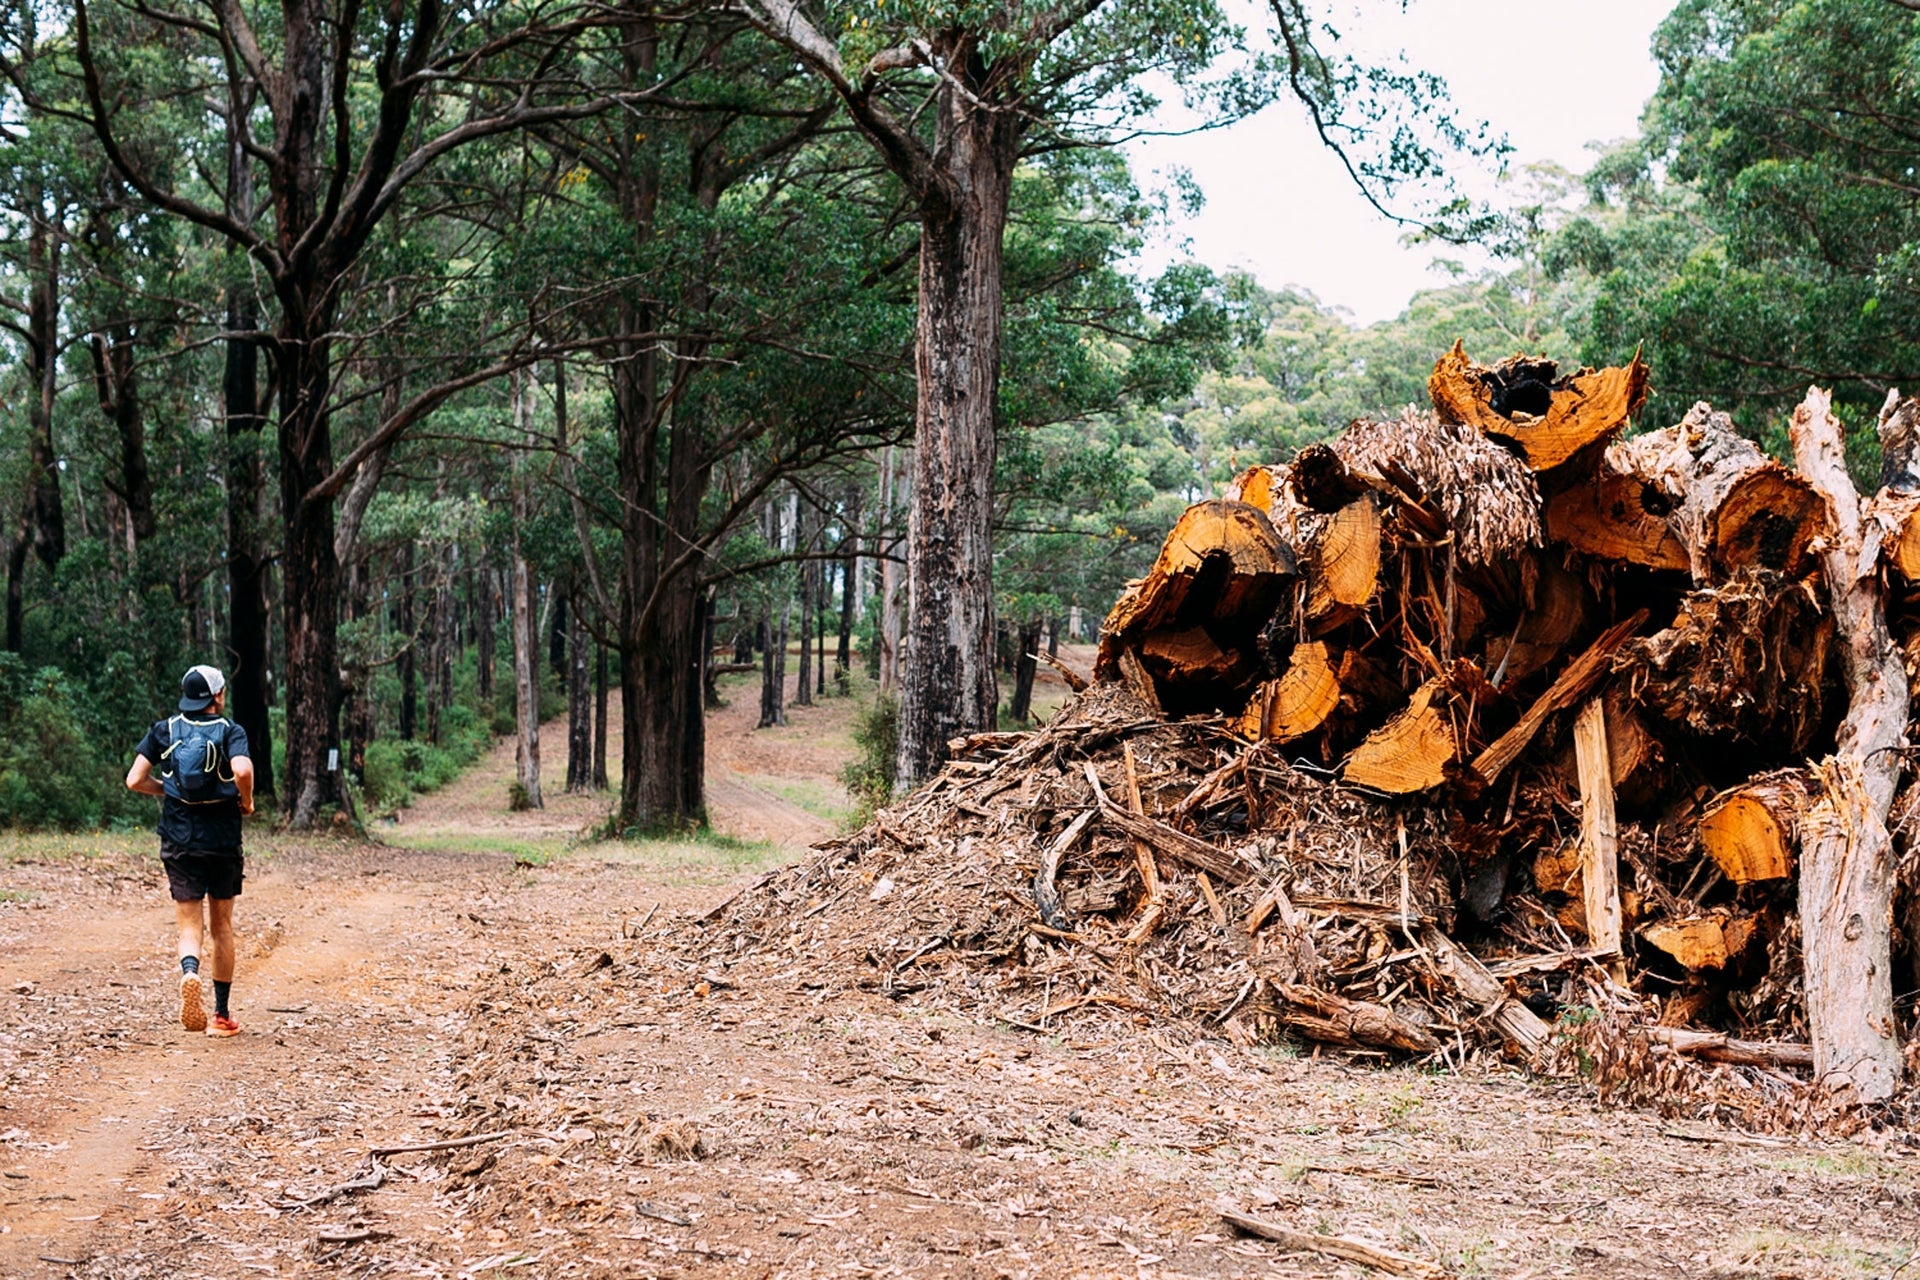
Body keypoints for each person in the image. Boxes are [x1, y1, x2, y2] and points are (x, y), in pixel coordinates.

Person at [124, 665, 255, 1037]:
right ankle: (222, 1015)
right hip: (222, 842)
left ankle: (190, 972)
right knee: (222, 926)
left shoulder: (164, 729)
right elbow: (242, 772)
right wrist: (245, 801)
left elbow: (134, 779)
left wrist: (168, 789)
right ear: (216, 696)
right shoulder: (231, 731)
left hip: (179, 839)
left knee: (188, 925)